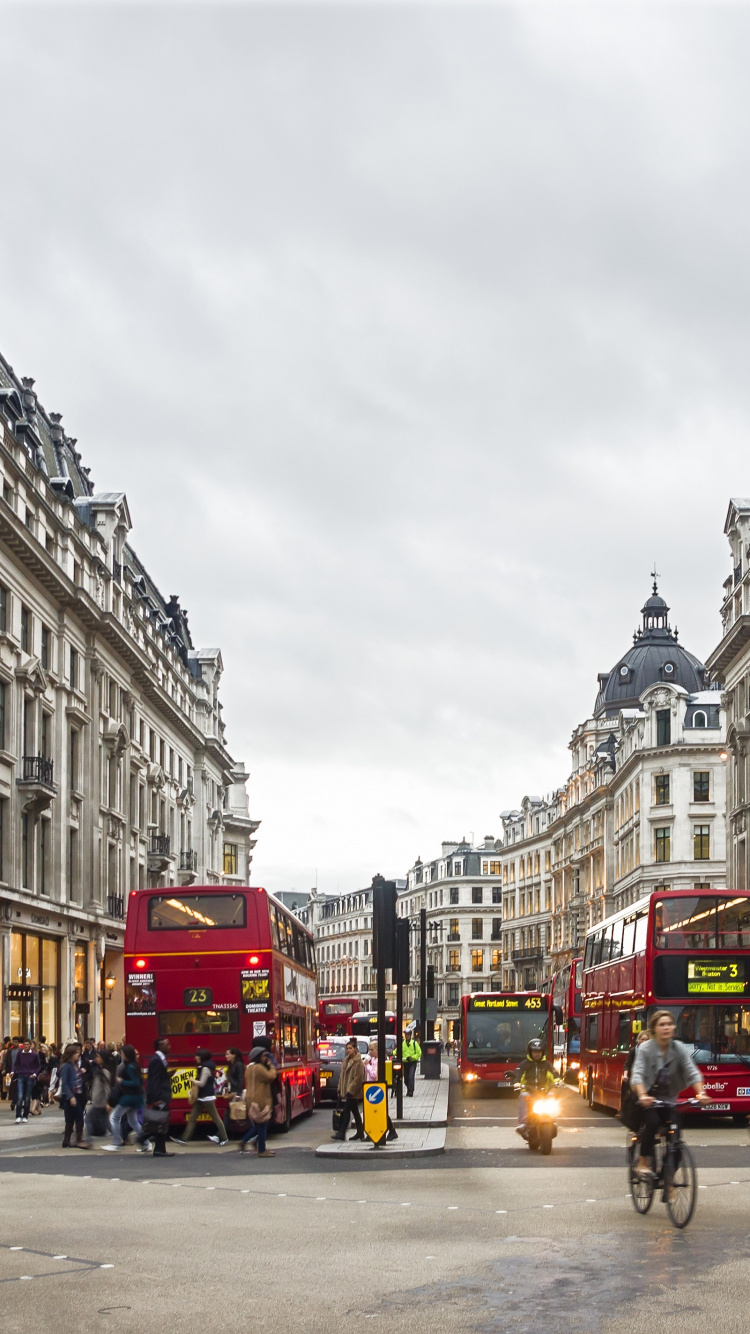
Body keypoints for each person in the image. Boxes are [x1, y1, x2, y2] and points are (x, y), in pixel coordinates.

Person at [631, 1009, 710, 1178]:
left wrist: (701, 1093)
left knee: (677, 1144)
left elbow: (692, 1071)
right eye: (662, 1025)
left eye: (669, 1024)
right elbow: (637, 1074)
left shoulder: (678, 1048)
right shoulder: (646, 1049)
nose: (666, 1028)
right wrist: (643, 1095)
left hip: (669, 1100)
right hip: (649, 1098)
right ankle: (643, 1160)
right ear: (654, 1029)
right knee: (652, 1122)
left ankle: (667, 1178)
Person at [175, 1049, 229, 1146]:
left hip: (207, 1098)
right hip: (201, 1097)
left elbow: (202, 1083)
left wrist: (192, 1080)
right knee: (192, 1117)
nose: (195, 1058)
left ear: (202, 1057)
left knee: (216, 1118)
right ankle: (184, 1139)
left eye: (197, 1056)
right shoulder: (203, 1067)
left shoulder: (205, 1068)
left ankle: (224, 1138)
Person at [137, 1038, 174, 1158]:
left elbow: (159, 1077)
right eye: (166, 1044)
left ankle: (159, 1149)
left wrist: (168, 1074)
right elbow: (153, 1080)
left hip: (162, 1095)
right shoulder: (156, 1060)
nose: (169, 1046)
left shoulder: (160, 1059)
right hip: (160, 1097)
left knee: (161, 1121)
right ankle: (143, 1136)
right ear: (159, 1046)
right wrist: (155, 1099)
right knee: (160, 1120)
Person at [102, 1044, 144, 1150]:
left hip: (129, 1097)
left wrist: (122, 1081)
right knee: (133, 1121)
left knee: (114, 1117)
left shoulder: (129, 1066)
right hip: (136, 1096)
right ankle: (146, 1142)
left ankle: (117, 1141)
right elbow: (139, 1082)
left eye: (122, 1053)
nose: (121, 1055)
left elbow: (135, 1082)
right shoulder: (134, 1065)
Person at [515, 1039, 556, 1138]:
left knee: (552, 1096)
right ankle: (523, 1123)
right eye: (534, 1052)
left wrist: (558, 1080)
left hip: (543, 1092)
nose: (537, 1054)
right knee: (523, 1095)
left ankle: (553, 1119)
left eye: (539, 1052)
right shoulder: (524, 1064)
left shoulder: (547, 1064)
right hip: (529, 1091)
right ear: (530, 1052)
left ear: (542, 1052)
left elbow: (553, 1074)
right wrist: (516, 1083)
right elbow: (518, 1074)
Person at [239, 1047, 276, 1157]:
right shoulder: (259, 1068)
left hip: (251, 1099)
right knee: (263, 1124)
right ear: (258, 1056)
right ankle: (261, 1150)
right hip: (260, 1099)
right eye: (264, 1055)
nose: (266, 1058)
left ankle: (247, 1141)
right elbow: (271, 1076)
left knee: (259, 1125)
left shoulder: (250, 1067)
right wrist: (271, 1066)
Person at [58, 1042, 91, 1149]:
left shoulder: (75, 1065)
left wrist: (82, 1073)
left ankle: (67, 1140)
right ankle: (78, 1139)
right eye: (76, 1053)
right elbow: (65, 1083)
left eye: (79, 1053)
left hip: (80, 1094)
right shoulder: (66, 1066)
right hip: (71, 1095)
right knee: (77, 1117)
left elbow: (78, 1079)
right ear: (70, 1054)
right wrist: (70, 1096)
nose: (78, 1055)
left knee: (72, 1117)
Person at [332, 1037, 365, 1141]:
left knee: (346, 1111)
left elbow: (358, 1078)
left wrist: (350, 1091)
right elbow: (342, 1077)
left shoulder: (358, 1062)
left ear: (355, 1049)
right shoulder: (346, 1061)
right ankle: (360, 1133)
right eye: (347, 1048)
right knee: (355, 1112)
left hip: (352, 1092)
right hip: (346, 1091)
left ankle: (341, 1133)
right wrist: (339, 1089)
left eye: (350, 1048)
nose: (348, 1050)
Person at [364, 1040, 397, 1141]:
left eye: (372, 1050)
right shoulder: (373, 1059)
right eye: (369, 1050)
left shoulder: (379, 1061)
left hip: (377, 1087)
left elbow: (374, 1074)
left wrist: (367, 1065)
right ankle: (371, 1132)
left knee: (381, 1111)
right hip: (370, 1087)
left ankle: (391, 1130)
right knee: (371, 1112)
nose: (370, 1052)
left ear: (378, 1050)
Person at [84, 1050, 112, 1139]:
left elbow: (107, 1088)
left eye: (98, 1057)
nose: (96, 1058)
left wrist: (108, 1102)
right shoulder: (99, 1070)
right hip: (98, 1102)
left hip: (101, 1103)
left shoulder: (104, 1072)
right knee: (106, 1122)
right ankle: (119, 1138)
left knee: (88, 1119)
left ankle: (88, 1141)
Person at [14, 1039, 41, 1123]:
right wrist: (13, 1071)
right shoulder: (20, 1054)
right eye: (24, 1044)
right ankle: (18, 1115)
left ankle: (25, 1115)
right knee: (20, 1096)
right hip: (21, 1076)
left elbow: (38, 1066)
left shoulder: (34, 1055)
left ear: (30, 1045)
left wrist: (35, 1074)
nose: (25, 1046)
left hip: (30, 1076)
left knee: (27, 1097)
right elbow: (16, 1064)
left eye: (27, 1044)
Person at [223, 1047, 246, 1137]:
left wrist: (239, 1094)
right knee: (228, 1114)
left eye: (228, 1054)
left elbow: (240, 1079)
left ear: (234, 1055)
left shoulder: (238, 1065)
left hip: (236, 1093)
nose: (226, 1056)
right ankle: (221, 1135)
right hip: (232, 1091)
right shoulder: (231, 1065)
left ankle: (221, 1136)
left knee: (244, 1114)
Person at [401, 1028, 422, 1098]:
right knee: (405, 1079)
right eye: (406, 1035)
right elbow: (397, 1050)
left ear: (410, 1035)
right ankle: (408, 1089)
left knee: (411, 1077)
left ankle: (411, 1091)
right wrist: (392, 1053)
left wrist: (412, 1057)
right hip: (405, 1063)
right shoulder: (403, 1044)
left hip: (412, 1062)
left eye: (408, 1035)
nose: (407, 1036)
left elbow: (419, 1053)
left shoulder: (414, 1043)